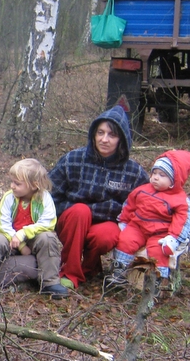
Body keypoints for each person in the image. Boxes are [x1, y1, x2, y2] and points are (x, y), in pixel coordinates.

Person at [48, 103, 149, 289]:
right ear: (93, 134)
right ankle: (69, 273)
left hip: (104, 225)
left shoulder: (133, 172)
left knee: (107, 235)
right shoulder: (72, 160)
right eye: (100, 133)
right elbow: (48, 198)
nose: (104, 139)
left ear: (122, 139)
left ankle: (88, 269)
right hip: (71, 222)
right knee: (80, 211)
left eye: (112, 135)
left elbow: (145, 205)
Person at [0, 159, 68, 298]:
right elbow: (2, 223)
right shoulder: (9, 197)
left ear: (34, 185)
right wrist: (20, 244)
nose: (12, 186)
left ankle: (50, 282)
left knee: (48, 238)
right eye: (12, 182)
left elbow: (48, 222)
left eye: (17, 183)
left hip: (32, 238)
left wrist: (23, 234)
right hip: (10, 238)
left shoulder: (44, 198)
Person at [105, 150, 190, 288]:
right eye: (154, 173)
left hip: (161, 232)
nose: (156, 177)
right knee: (126, 240)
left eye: (162, 175)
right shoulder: (143, 190)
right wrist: (124, 221)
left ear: (175, 180)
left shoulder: (180, 200)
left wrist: (173, 238)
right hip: (138, 225)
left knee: (158, 251)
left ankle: (157, 280)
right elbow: (129, 205)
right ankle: (119, 270)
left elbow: (183, 221)